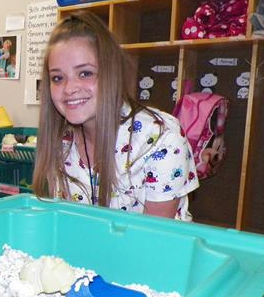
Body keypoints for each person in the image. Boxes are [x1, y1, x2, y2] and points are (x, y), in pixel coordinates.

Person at [32, 11, 199, 220]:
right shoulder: (62, 141)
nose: (69, 88)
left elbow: (154, 240)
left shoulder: (161, 139)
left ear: (110, 72)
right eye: (57, 78)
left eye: (85, 73)